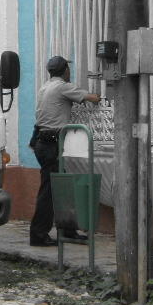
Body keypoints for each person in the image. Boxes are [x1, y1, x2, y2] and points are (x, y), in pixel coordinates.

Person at [29, 56, 101, 247]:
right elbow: (93, 98)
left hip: (43, 142)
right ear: (65, 71)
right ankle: (38, 234)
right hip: (52, 143)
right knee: (50, 191)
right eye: (69, 69)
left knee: (61, 188)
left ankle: (67, 230)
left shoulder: (45, 87)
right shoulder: (62, 86)